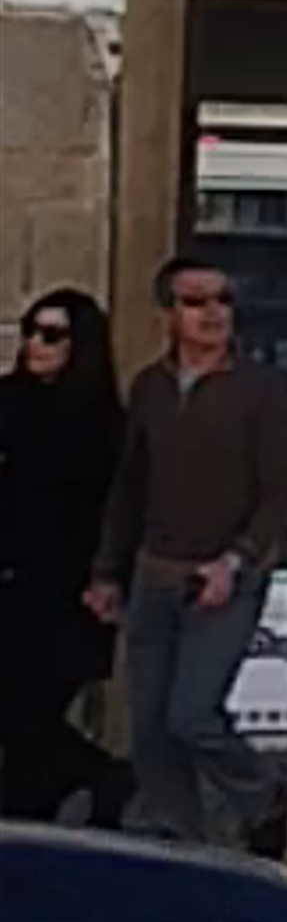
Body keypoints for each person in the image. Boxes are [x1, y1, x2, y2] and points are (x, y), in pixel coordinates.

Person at [83, 250, 287, 853]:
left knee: (193, 713)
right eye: (195, 301)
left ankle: (264, 796)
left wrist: (236, 560)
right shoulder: (151, 387)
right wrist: (107, 569)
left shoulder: (262, 392)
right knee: (151, 729)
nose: (212, 314)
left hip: (223, 576)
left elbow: (279, 491)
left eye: (223, 300)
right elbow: (130, 484)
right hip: (154, 570)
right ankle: (180, 841)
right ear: (168, 313)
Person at [0, 289, 126, 824]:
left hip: (66, 588)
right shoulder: (7, 399)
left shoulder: (100, 422)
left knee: (31, 710)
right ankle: (94, 780)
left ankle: (49, 808)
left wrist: (108, 579)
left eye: (51, 335)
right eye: (31, 330)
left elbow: (112, 509)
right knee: (16, 713)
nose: (36, 345)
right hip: (9, 578)